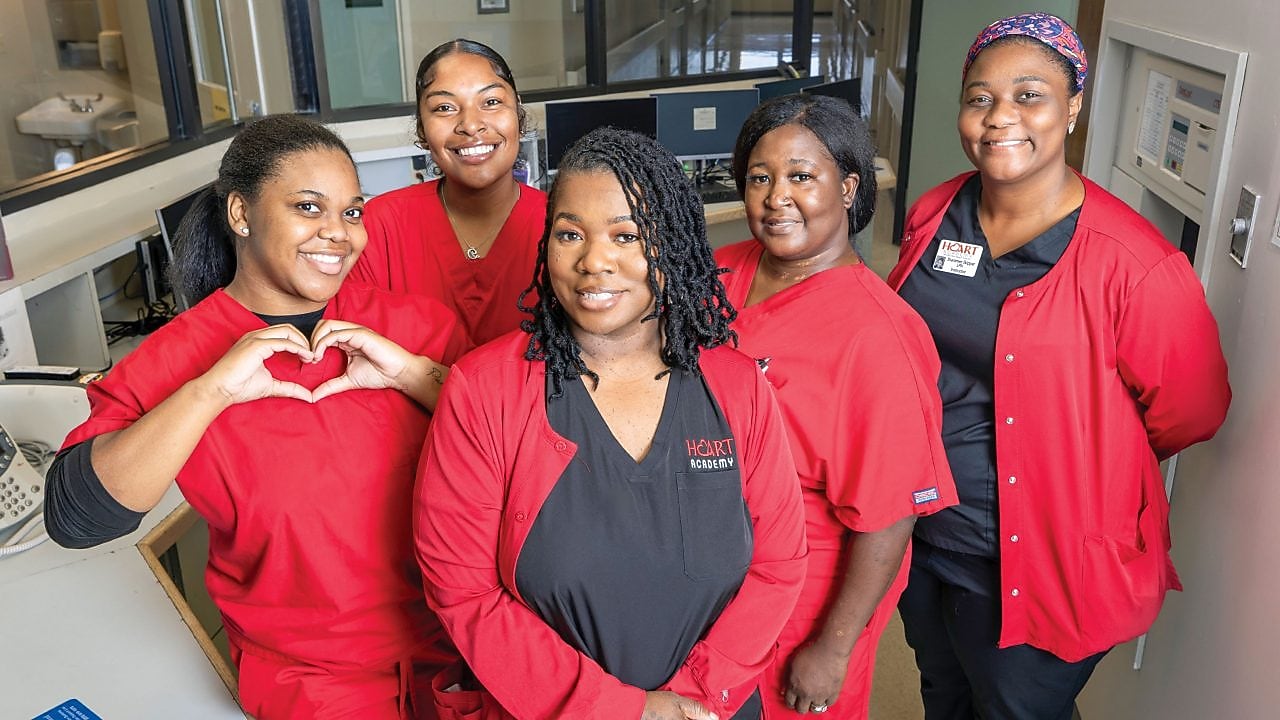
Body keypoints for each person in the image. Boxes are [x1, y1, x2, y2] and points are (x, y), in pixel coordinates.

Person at [43, 114, 468, 719]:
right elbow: (77, 518)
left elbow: (522, 457)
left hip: (462, 653)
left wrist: (412, 376)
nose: (339, 234)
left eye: (352, 212)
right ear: (241, 215)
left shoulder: (414, 330)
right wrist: (208, 392)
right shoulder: (180, 359)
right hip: (314, 686)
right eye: (308, 207)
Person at [887, 13, 1232, 719]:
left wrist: (1080, 438)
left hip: (1040, 557)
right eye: (979, 97)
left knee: (1016, 708)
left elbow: (1190, 411)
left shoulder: (1135, 266)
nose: (998, 118)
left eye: (1029, 95)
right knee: (943, 689)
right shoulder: (936, 212)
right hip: (921, 530)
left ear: (1073, 106)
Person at [414, 127, 808, 720]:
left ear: (672, 247)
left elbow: (779, 566)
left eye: (627, 236)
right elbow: (463, 592)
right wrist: (619, 711)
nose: (594, 261)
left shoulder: (736, 387)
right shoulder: (486, 391)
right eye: (570, 234)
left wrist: (692, 699)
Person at [715, 94, 957, 719]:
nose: (775, 197)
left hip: (801, 600)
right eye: (759, 178)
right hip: (706, 584)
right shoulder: (715, 275)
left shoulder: (878, 336)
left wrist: (833, 646)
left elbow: (890, 516)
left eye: (801, 176)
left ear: (849, 187)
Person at [352, 38, 546, 347]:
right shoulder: (379, 227)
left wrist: (416, 374)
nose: (470, 125)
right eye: (444, 107)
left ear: (518, 115)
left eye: (492, 102)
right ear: (422, 131)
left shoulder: (563, 227)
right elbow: (354, 351)